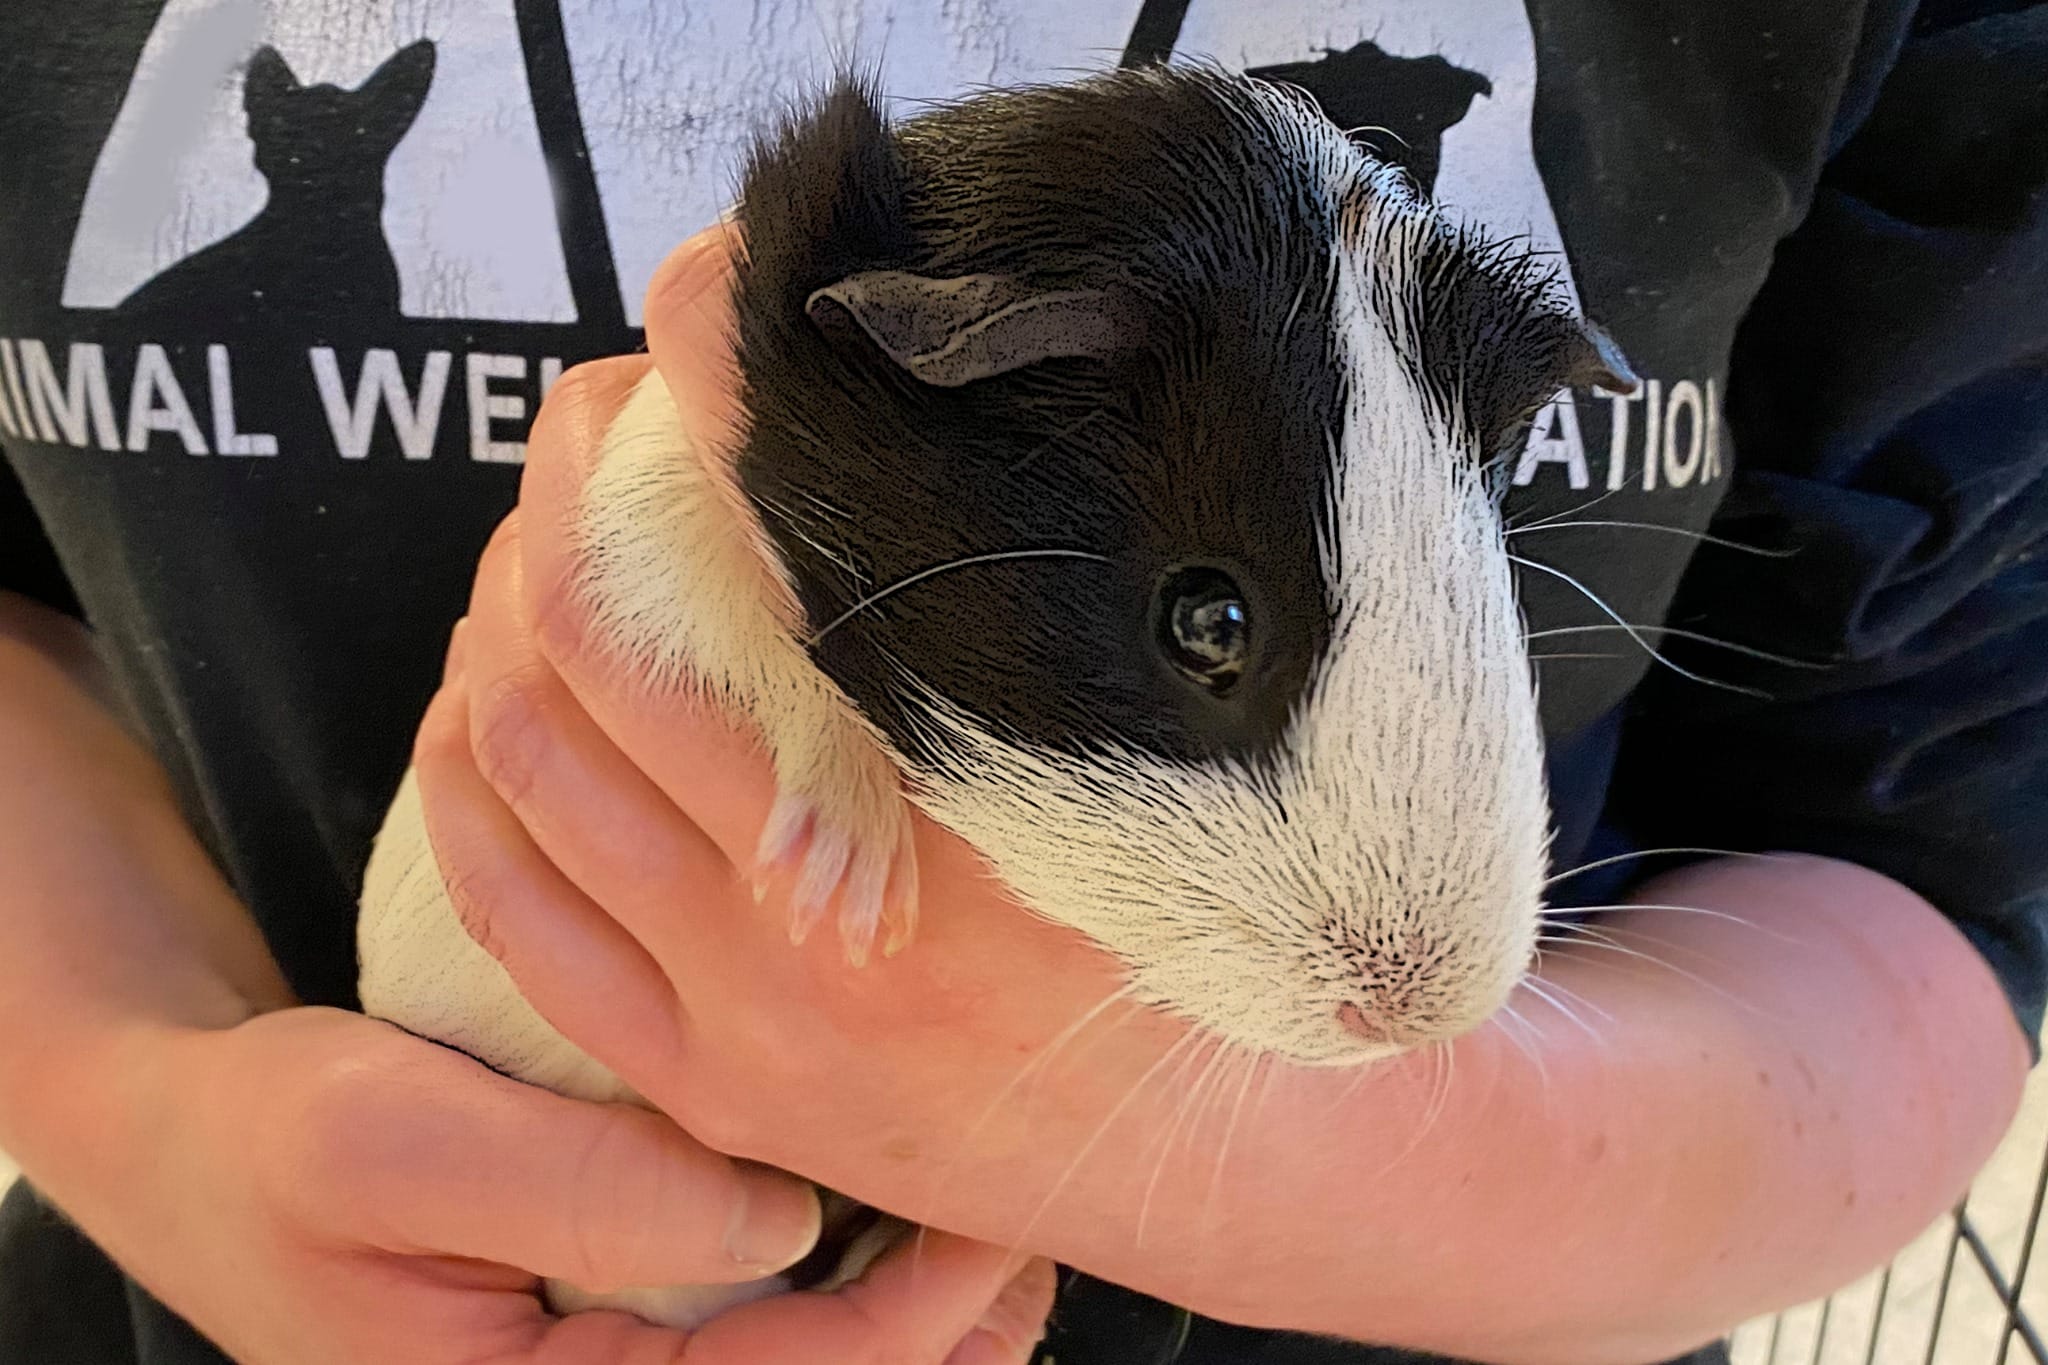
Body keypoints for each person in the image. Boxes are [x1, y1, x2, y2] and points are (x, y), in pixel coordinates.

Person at [0, 2, 2042, 1363]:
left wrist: (1371, 1163)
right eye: (1218, 633)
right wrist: (139, 1102)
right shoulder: (862, 372)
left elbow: (1942, 854)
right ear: (943, 354)